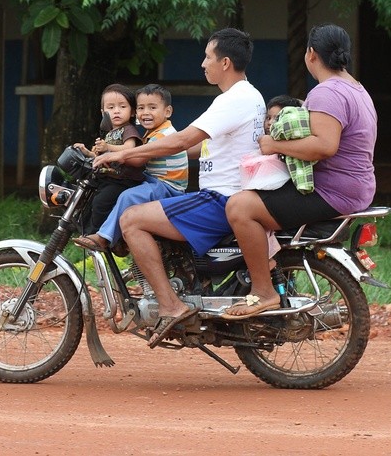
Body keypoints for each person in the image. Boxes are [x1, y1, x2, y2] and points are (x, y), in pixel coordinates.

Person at [93, 28, 266, 347]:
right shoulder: (247, 96)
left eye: (207, 57)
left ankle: (171, 305)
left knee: (131, 219)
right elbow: (196, 147)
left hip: (218, 200)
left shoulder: (233, 99)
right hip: (231, 196)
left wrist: (127, 152)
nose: (203, 64)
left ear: (225, 62)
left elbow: (184, 138)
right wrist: (148, 152)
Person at [223, 23, 377, 319]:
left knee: (240, 207)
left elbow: (324, 146)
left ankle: (263, 292)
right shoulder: (356, 88)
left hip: (333, 191)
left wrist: (273, 145)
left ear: (310, 55)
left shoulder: (327, 92)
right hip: (356, 187)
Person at [74, 84, 188, 252]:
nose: (146, 112)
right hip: (154, 181)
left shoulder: (163, 135)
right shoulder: (153, 132)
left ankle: (104, 237)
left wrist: (112, 152)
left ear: (167, 112)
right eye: (141, 107)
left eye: (153, 107)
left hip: (167, 187)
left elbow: (136, 161)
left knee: (127, 196)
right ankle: (117, 236)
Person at [73, 84, 144, 235]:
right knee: (89, 201)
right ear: (103, 112)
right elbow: (102, 157)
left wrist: (108, 147)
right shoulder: (110, 133)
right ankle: (85, 231)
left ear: (132, 112)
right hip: (109, 177)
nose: (116, 111)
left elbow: (130, 149)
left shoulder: (128, 130)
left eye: (122, 106)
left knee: (101, 202)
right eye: (110, 107)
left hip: (124, 180)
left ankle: (100, 235)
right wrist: (87, 152)